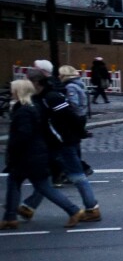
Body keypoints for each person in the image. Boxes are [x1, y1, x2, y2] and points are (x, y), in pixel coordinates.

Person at [2, 80, 85, 229]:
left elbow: (22, 136)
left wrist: (13, 152)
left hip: (28, 157)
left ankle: (73, 210)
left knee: (43, 187)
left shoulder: (23, 111)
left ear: (19, 91)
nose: (11, 92)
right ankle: (10, 217)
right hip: (34, 155)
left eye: (13, 90)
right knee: (16, 182)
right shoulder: (33, 107)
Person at [20, 68, 99, 223]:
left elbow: (69, 116)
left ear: (36, 83)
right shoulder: (41, 97)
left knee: (76, 175)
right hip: (53, 143)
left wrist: (79, 133)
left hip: (63, 142)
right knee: (46, 177)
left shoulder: (51, 97)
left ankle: (92, 208)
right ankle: (28, 207)